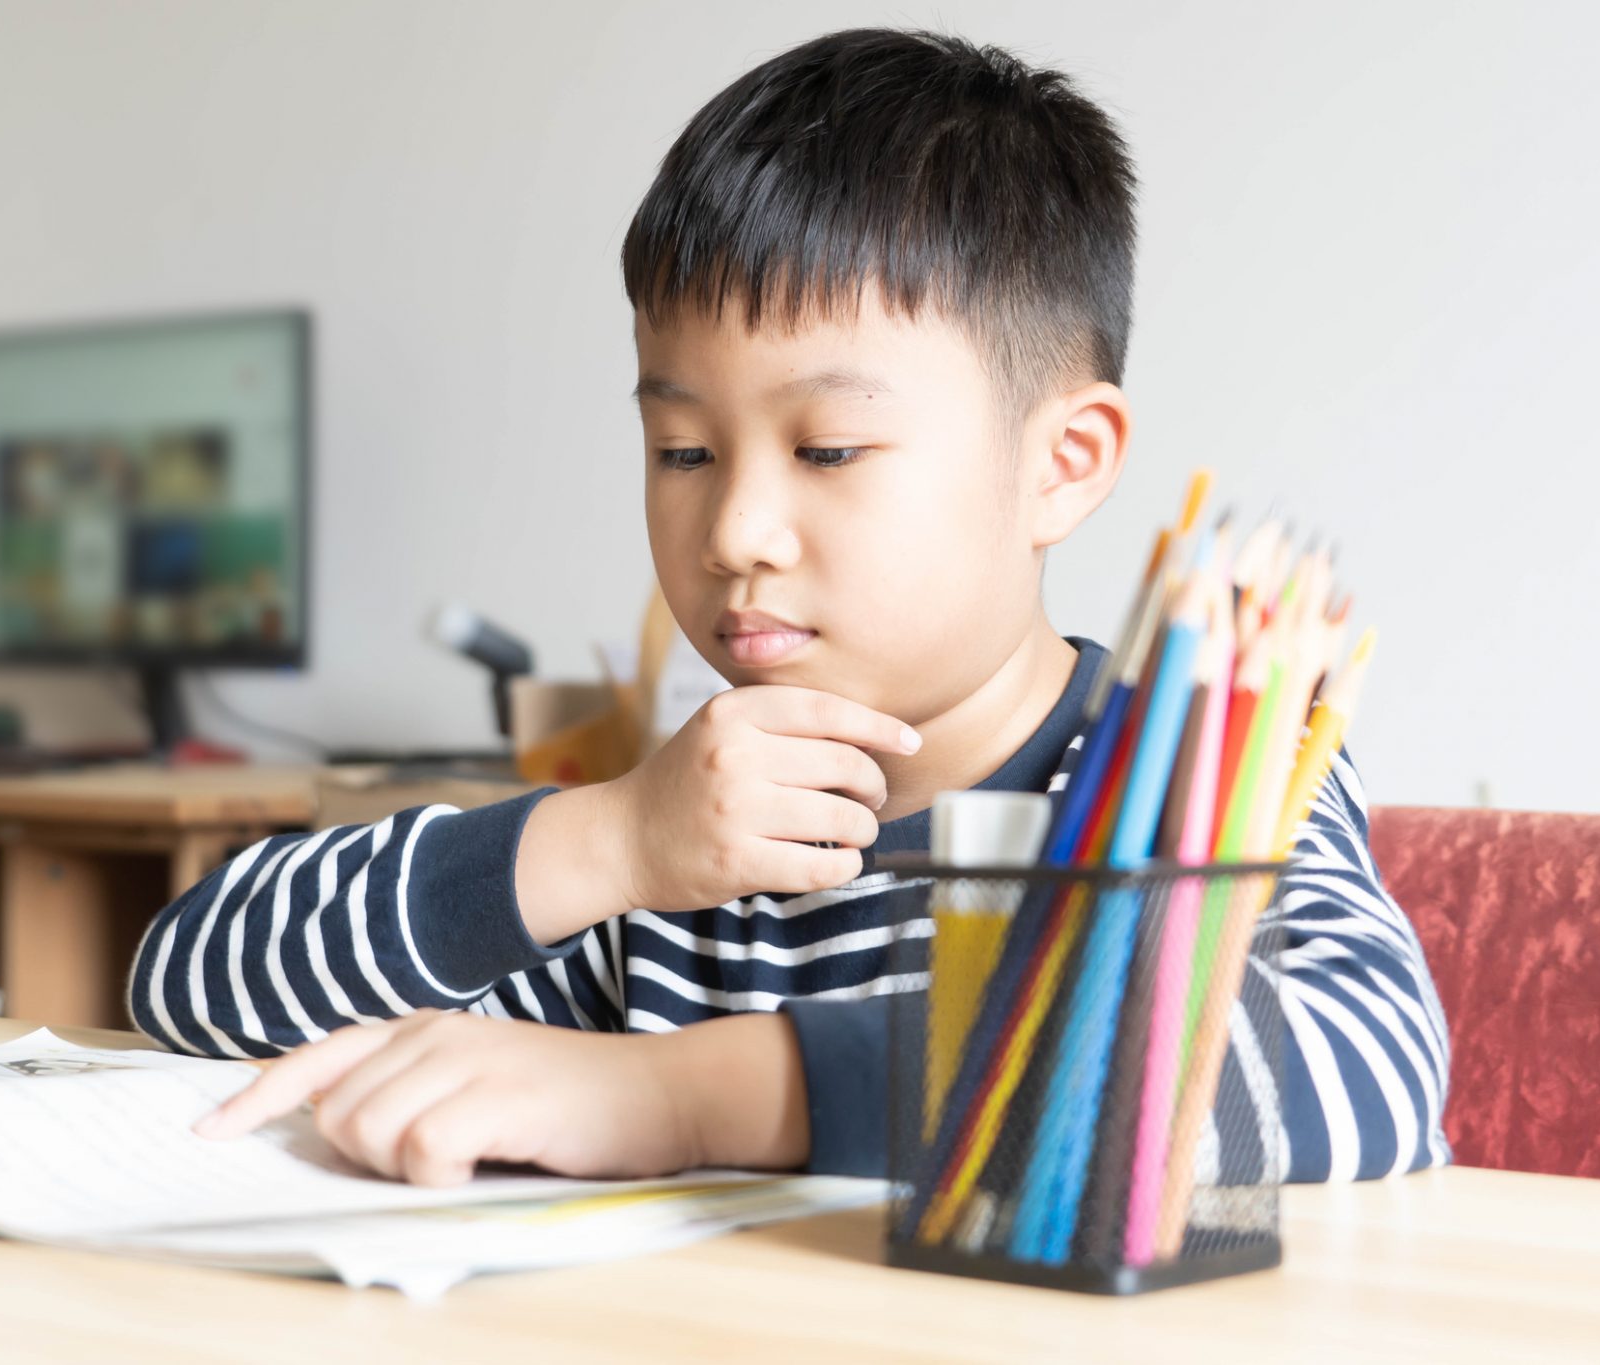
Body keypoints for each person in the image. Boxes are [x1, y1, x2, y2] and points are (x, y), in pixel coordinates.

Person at [132, 28, 1450, 1189]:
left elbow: (1365, 1063)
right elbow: (189, 981)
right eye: (683, 452)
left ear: (1062, 463)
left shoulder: (1209, 776)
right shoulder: (689, 836)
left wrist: (681, 1096)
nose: (735, 533)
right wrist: (603, 842)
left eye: (827, 450)